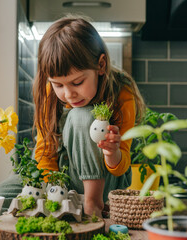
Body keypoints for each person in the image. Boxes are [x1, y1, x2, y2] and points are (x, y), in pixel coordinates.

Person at [32, 16, 146, 217]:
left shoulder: (122, 93)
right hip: (62, 180)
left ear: (101, 65)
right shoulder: (49, 92)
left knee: (81, 116)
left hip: (108, 181)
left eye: (77, 83)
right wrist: (53, 191)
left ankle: (93, 204)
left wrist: (112, 153)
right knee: (0, 197)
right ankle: (71, 203)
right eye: (58, 85)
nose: (68, 94)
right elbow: (45, 152)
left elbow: (121, 168)